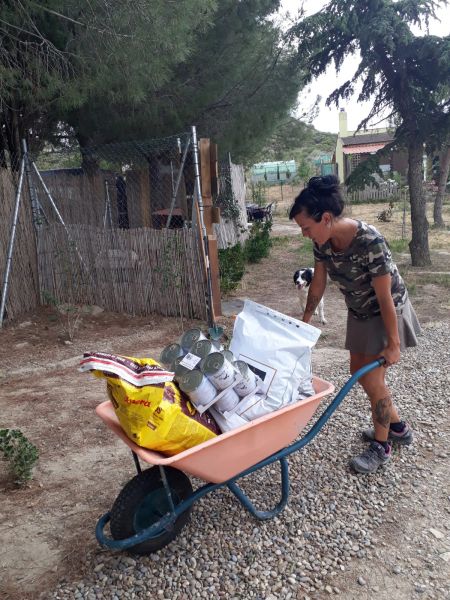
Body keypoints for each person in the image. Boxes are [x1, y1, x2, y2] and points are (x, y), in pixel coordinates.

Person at [289, 175, 421, 474]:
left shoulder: (369, 240)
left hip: (386, 312)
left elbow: (384, 297)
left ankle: (382, 446)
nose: (304, 234)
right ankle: (397, 427)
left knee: (374, 381)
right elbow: (318, 284)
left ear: (325, 218)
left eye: (306, 228)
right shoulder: (322, 242)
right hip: (359, 311)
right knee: (358, 372)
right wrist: (303, 325)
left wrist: (393, 344)